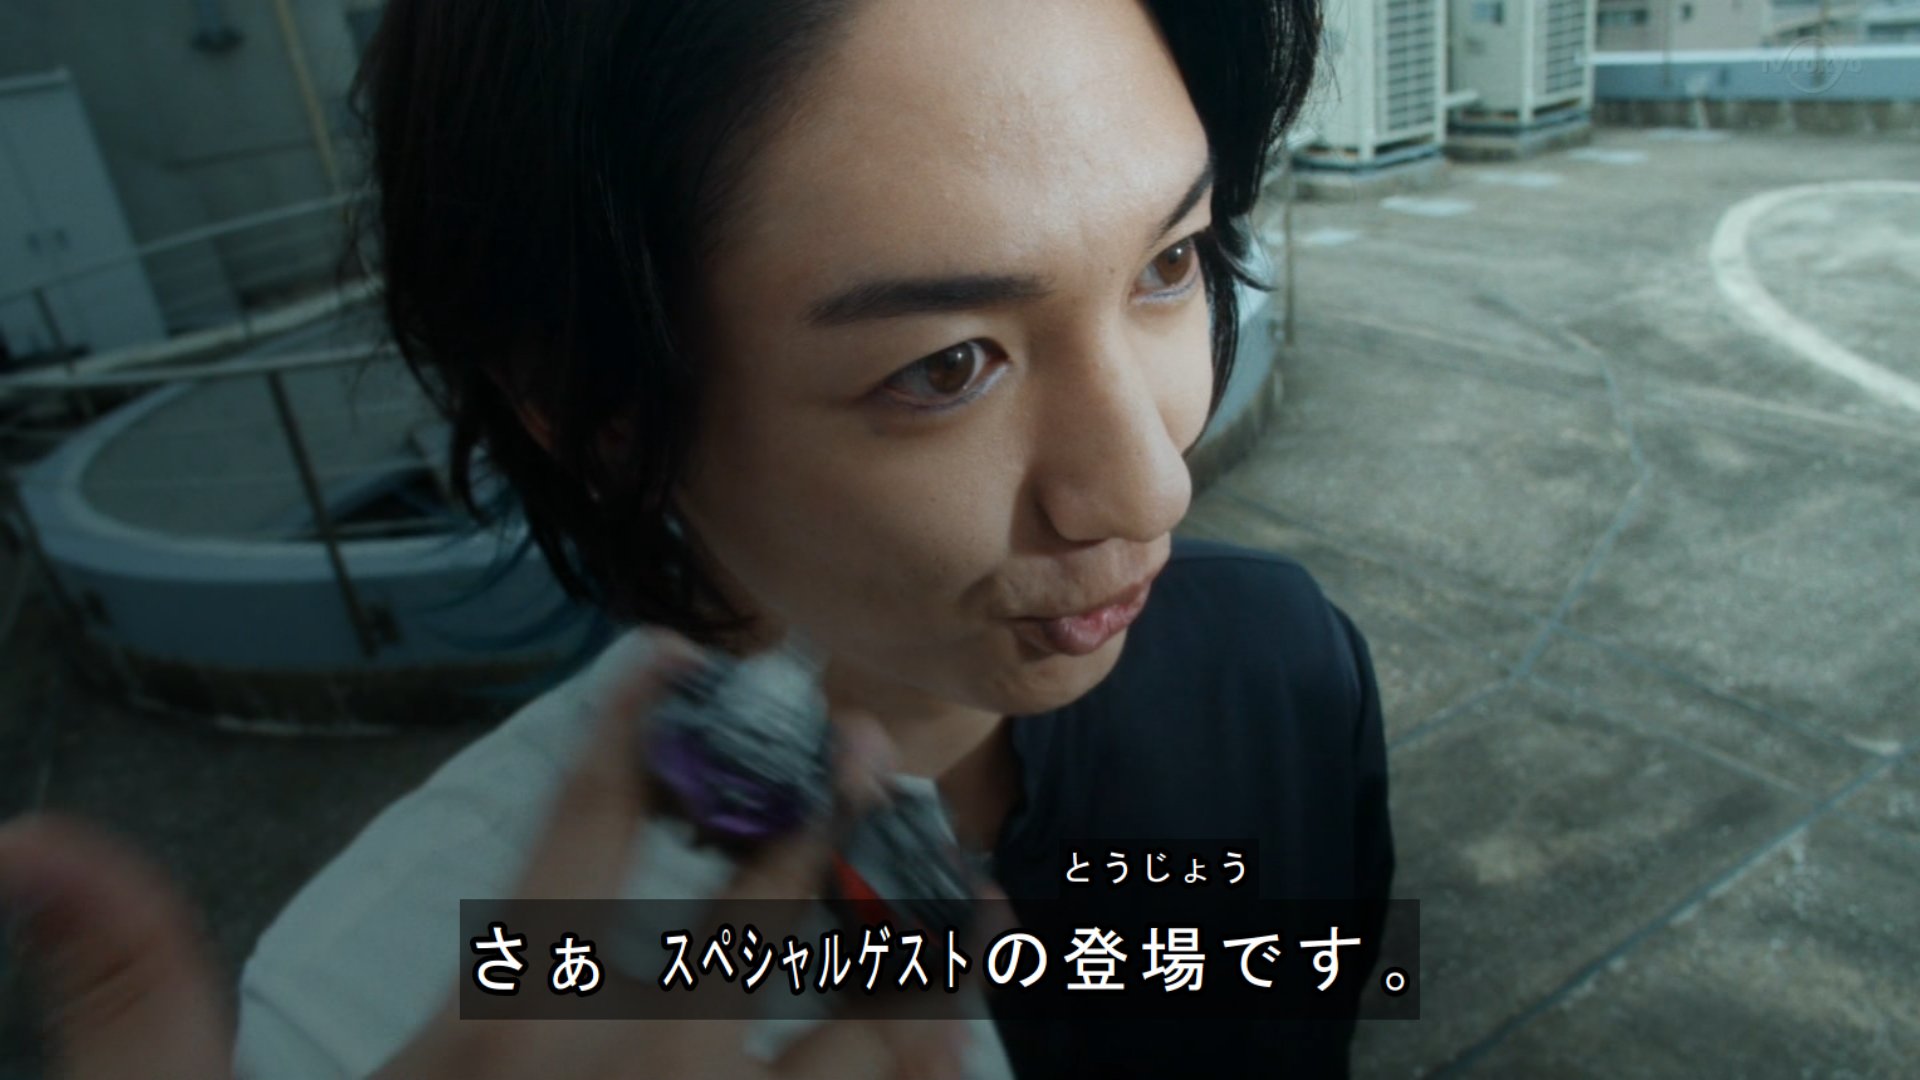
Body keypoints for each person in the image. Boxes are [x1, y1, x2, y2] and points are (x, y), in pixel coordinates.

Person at [0, 0, 1393, 1076]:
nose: (1151, 489)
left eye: (1169, 263)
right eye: (947, 364)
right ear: (598, 418)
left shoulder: (1282, 669)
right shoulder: (393, 997)